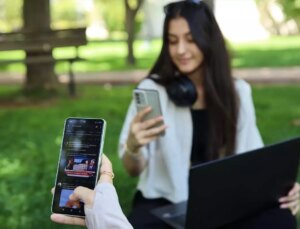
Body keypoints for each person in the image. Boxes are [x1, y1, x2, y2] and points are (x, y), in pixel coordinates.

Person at [118, 0, 300, 228]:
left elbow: (253, 159)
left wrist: (285, 188)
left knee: (280, 220)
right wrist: (133, 146)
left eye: (191, 39)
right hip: (165, 201)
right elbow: (132, 169)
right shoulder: (152, 90)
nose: (180, 50)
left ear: (208, 40)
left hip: (228, 199)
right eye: (172, 41)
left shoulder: (238, 92)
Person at [50, 154, 133, 229]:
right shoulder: (76, 166)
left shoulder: (87, 168)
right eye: (87, 162)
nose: (88, 163)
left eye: (89, 162)